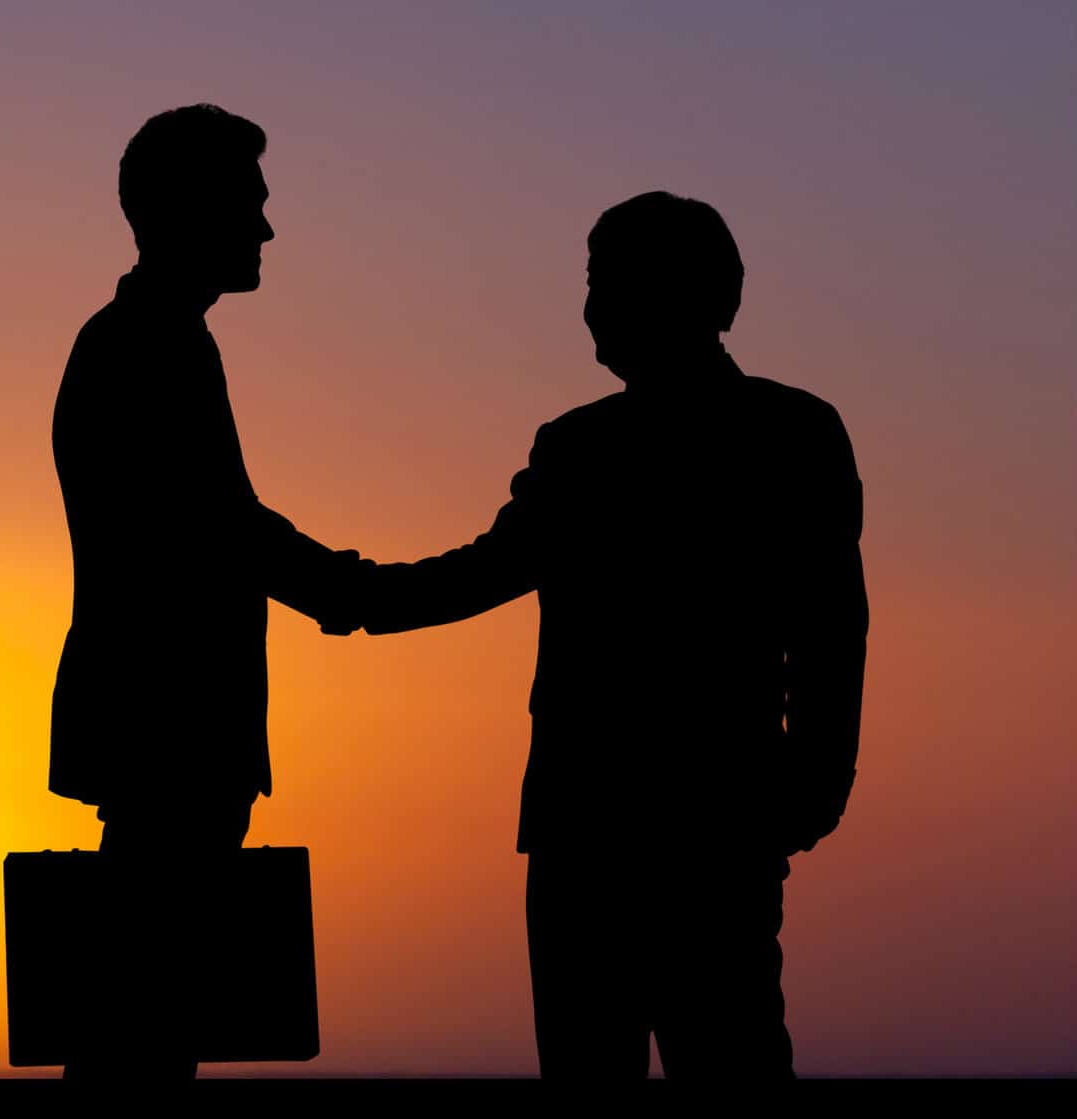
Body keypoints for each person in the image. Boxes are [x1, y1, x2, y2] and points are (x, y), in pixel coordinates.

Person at [341, 191, 868, 1078]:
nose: (592, 306)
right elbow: (486, 570)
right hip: (614, 829)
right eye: (593, 282)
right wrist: (349, 591)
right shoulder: (584, 445)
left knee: (721, 1056)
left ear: (707, 297)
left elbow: (829, 626)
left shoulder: (783, 435)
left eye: (608, 281)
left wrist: (812, 784)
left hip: (685, 823)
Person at [49, 103, 371, 1079]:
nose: (267, 229)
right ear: (189, 210)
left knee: (141, 1027)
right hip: (170, 731)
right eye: (250, 204)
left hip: (167, 732)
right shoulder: (148, 345)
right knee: (143, 1033)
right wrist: (354, 590)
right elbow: (219, 527)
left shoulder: (150, 339)